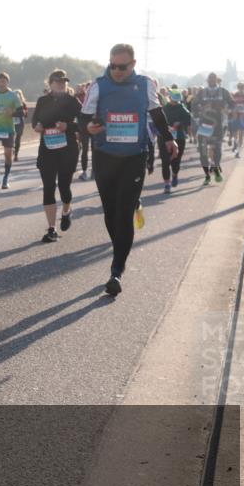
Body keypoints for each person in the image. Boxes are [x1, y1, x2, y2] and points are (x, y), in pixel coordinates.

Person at [80, 43, 176, 296]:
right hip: (104, 156)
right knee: (111, 212)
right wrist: (88, 128)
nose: (117, 71)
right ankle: (120, 247)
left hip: (134, 156)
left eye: (122, 67)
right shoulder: (99, 85)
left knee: (123, 214)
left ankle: (116, 271)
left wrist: (168, 138)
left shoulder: (145, 84)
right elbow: (83, 118)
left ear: (133, 64)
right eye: (113, 66)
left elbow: (157, 113)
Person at [32, 70, 81, 243]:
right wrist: (37, 126)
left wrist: (68, 126)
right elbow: (35, 121)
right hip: (47, 149)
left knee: (64, 187)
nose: (62, 84)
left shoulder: (72, 101)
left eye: (64, 82)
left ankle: (66, 211)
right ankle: (51, 228)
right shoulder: (42, 101)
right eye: (58, 81)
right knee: (48, 187)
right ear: (50, 83)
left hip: (68, 150)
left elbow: (84, 123)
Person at [191, 73, 234, 184]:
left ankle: (215, 167)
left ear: (216, 79)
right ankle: (207, 176)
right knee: (203, 151)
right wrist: (200, 111)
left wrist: (226, 110)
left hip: (218, 124)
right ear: (207, 80)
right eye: (209, 78)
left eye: (213, 78)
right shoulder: (202, 92)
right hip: (204, 125)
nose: (211, 80)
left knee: (217, 149)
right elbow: (193, 105)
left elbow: (232, 103)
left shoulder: (223, 91)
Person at [161, 89, 192, 193]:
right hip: (164, 137)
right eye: (174, 100)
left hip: (179, 137)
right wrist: (166, 127)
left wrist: (180, 123)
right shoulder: (163, 109)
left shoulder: (182, 108)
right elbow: (158, 121)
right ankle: (167, 184)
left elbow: (189, 119)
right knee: (165, 161)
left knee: (176, 161)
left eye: (177, 100)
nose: (176, 102)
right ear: (169, 98)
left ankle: (174, 174)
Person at [74, 81, 93, 180]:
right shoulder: (74, 100)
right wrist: (76, 130)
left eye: (82, 91)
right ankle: (85, 171)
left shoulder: (90, 97)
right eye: (78, 91)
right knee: (84, 150)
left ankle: (94, 171)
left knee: (94, 149)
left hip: (92, 126)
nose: (80, 93)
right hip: (82, 128)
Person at [231, 82, 244, 157]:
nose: (241, 89)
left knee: (241, 134)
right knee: (234, 133)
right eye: (240, 87)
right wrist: (233, 110)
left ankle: (238, 152)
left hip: (243, 117)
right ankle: (235, 143)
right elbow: (231, 105)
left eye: (242, 88)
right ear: (238, 88)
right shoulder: (234, 95)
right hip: (235, 117)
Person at [12, 87, 28, 162]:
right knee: (12, 137)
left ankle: (16, 154)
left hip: (19, 122)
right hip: (11, 122)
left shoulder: (23, 104)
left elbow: (26, 114)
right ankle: (13, 151)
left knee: (17, 138)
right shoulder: (10, 103)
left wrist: (22, 112)